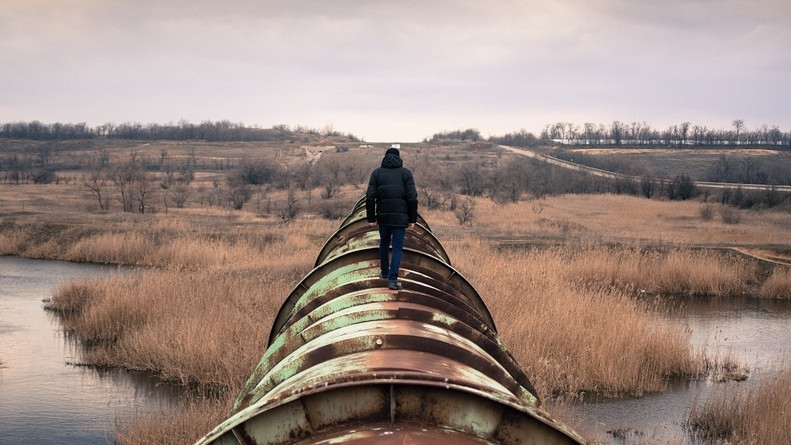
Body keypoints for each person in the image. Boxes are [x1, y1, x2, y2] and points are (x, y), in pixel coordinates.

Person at [366, 147, 418, 290]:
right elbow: (412, 198)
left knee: (384, 244)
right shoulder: (406, 174)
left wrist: (371, 218)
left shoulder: (376, 173)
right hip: (400, 218)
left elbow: (370, 197)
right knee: (397, 248)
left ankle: (384, 272)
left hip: (383, 216)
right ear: (399, 158)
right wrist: (413, 219)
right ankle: (393, 280)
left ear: (385, 157)